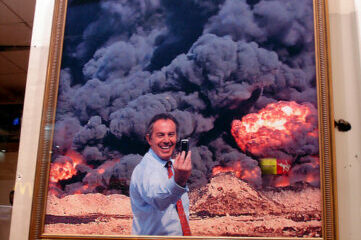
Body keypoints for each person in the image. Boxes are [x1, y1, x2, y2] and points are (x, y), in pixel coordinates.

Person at [130, 113, 192, 236]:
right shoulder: (144, 170)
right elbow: (159, 201)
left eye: (171, 134)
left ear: (177, 137)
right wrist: (178, 182)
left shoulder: (175, 166)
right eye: (160, 135)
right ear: (149, 139)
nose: (167, 140)